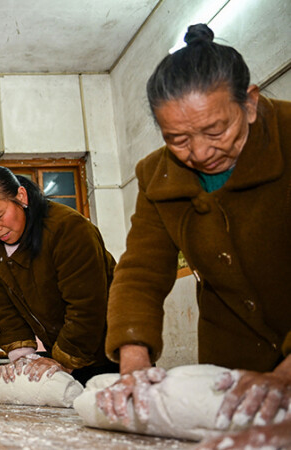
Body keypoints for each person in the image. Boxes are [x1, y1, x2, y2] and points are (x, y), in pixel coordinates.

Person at [96, 24, 291, 444]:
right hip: (233, 361)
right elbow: (141, 272)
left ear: (251, 103)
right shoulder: (157, 174)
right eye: (177, 139)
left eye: (216, 131)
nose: (200, 153)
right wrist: (134, 363)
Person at [0, 166, 118, 385]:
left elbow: (87, 305)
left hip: (112, 351)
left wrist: (63, 360)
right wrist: (23, 359)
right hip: (61, 352)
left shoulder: (68, 228)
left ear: (21, 196)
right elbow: (5, 307)